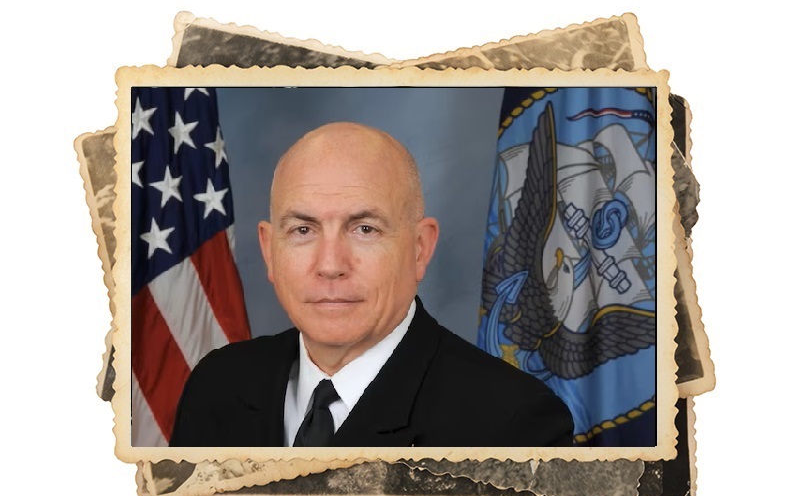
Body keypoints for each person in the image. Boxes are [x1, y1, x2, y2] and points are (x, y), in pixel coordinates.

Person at [170, 122, 574, 447]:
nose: (330, 265)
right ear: (269, 250)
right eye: (303, 230)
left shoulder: (512, 424)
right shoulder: (216, 387)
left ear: (419, 249)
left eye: (365, 229)